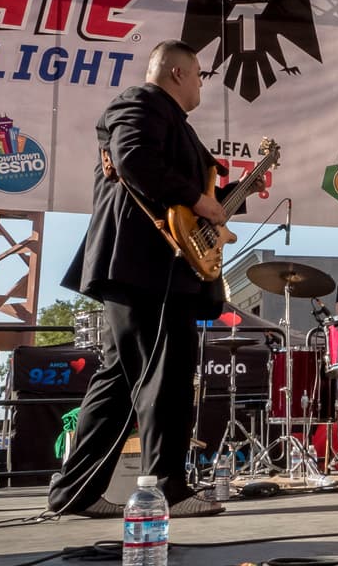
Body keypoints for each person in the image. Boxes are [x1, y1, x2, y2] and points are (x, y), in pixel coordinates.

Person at [50, 40, 263, 519]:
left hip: (151, 269)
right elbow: (134, 160)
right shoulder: (140, 102)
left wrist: (230, 195)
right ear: (178, 73)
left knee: (122, 380)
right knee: (164, 375)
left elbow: (185, 202)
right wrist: (203, 200)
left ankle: (74, 492)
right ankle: (166, 488)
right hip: (145, 266)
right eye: (200, 75)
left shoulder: (173, 124)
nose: (203, 84)